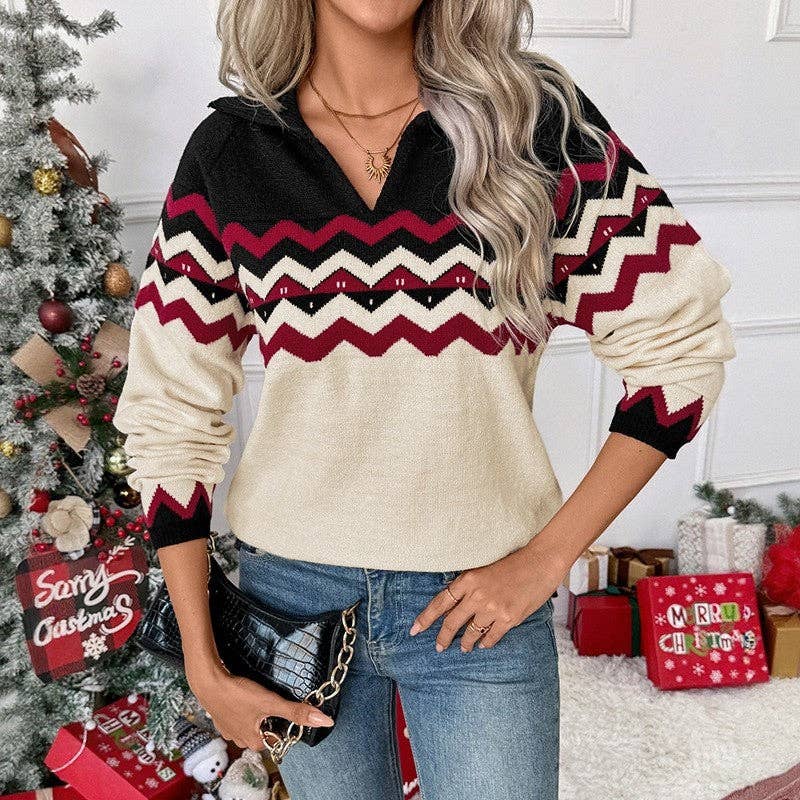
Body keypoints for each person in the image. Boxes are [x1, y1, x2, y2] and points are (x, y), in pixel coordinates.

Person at [112, 1, 737, 797]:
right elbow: (169, 409)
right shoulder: (233, 151)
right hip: (292, 606)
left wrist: (547, 558)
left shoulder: (532, 123)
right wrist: (203, 664)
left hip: (483, 598)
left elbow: (680, 349)